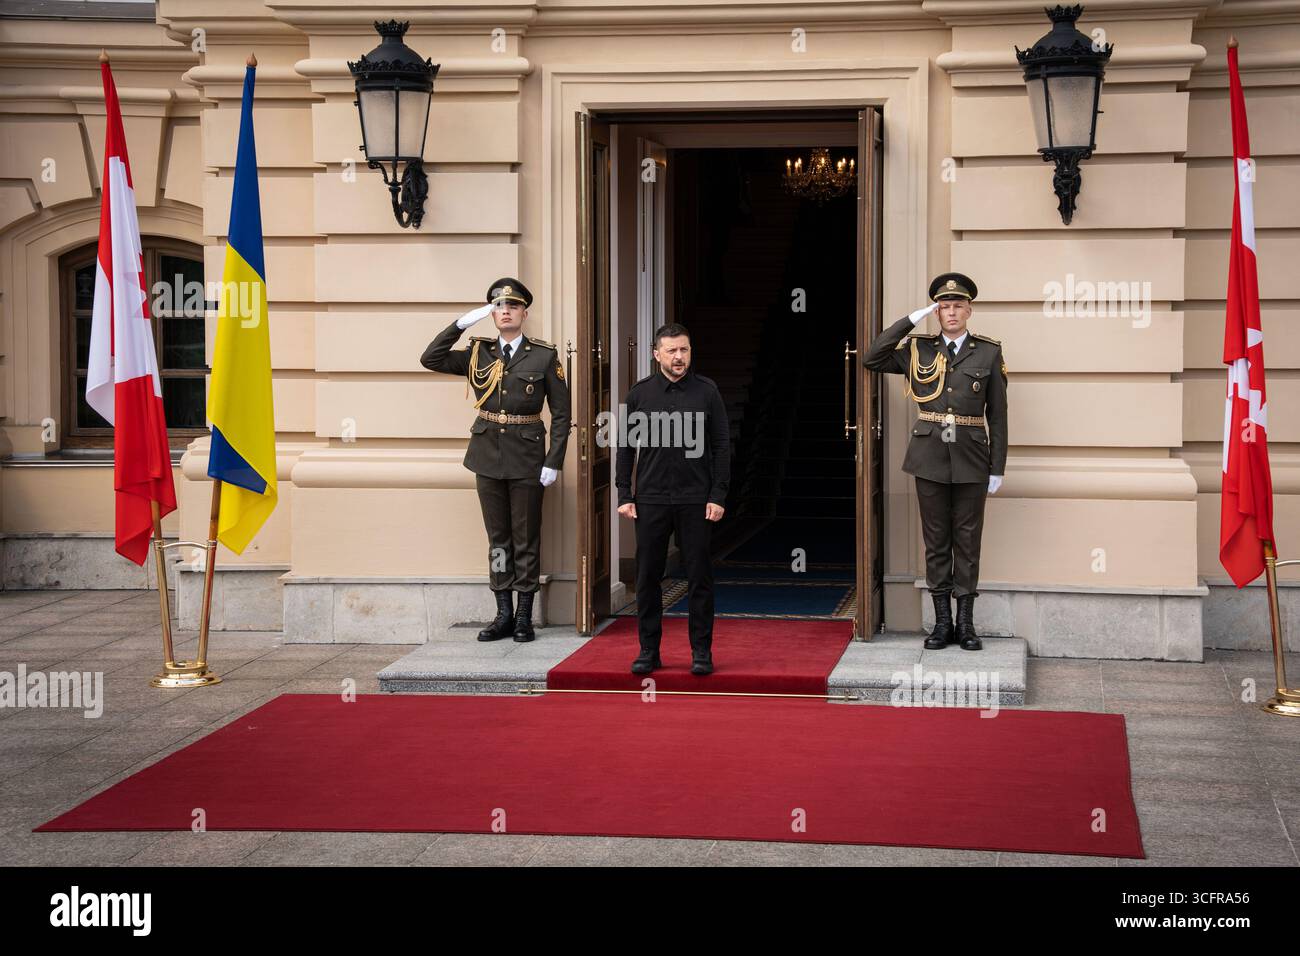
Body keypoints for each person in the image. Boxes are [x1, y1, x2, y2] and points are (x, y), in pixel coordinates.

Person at [861, 272, 1008, 650]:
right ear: (937, 312)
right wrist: (911, 319)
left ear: (969, 310)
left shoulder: (988, 352)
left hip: (973, 458)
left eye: (958, 305)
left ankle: (967, 625)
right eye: (944, 307)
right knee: (936, 542)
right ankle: (942, 624)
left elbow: (999, 416)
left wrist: (997, 467)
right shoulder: (918, 349)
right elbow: (872, 357)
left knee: (968, 542)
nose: (952, 312)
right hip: (928, 458)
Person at [420, 277, 570, 642]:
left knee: (526, 537)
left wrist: (554, 460)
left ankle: (523, 616)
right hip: (486, 456)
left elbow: (563, 415)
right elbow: (430, 359)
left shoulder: (544, 356)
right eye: (498, 306)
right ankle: (502, 613)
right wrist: (460, 325)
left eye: (512, 306)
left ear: (524, 312)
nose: (506, 311)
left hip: (528, 459)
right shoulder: (478, 353)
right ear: (491, 313)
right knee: (498, 539)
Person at [615, 323, 730, 675]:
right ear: (656, 354)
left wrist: (718, 494)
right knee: (648, 577)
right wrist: (624, 492)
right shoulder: (639, 394)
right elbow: (625, 447)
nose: (679, 357)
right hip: (650, 499)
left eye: (684, 350)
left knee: (699, 577)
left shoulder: (707, 392)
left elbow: (721, 446)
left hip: (696, 499)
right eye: (671, 351)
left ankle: (701, 652)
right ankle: (649, 651)